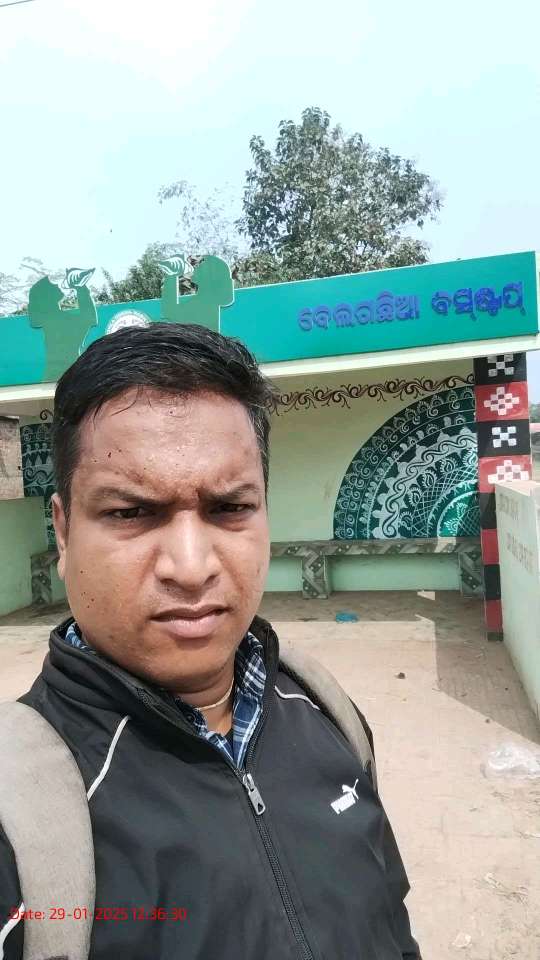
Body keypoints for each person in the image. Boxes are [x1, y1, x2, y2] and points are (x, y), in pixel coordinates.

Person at [0, 323, 420, 959]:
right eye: (130, 512)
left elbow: (390, 917)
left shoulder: (324, 709)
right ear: (63, 532)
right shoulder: (19, 812)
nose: (192, 568)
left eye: (229, 508)